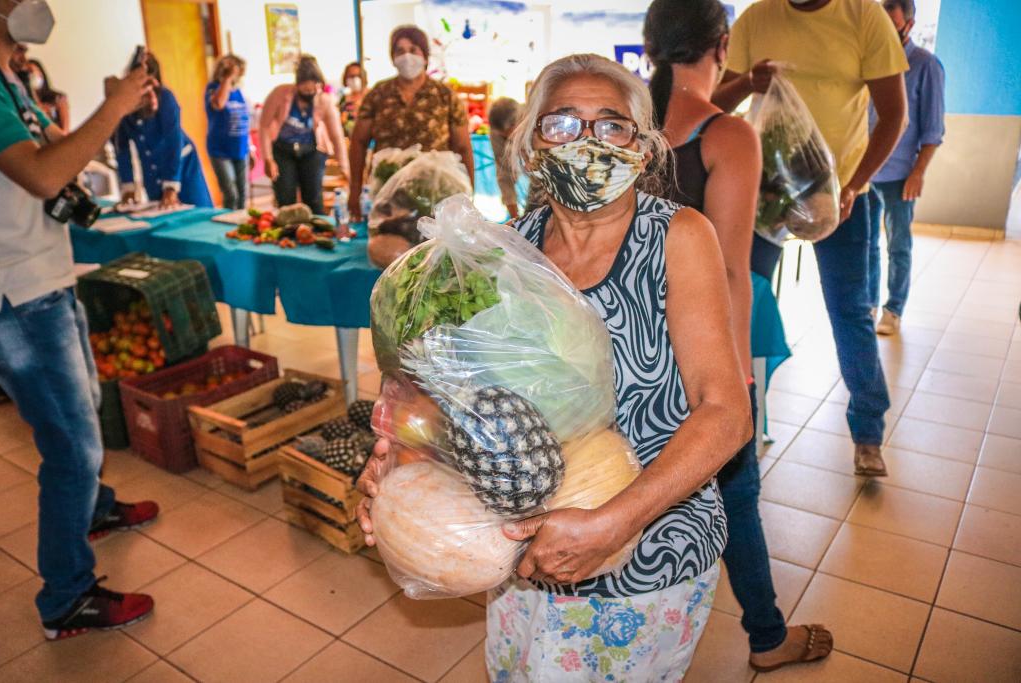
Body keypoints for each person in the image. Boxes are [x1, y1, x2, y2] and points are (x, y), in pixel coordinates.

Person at [358, 53, 752, 681]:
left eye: (612, 125)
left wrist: (613, 523)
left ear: (643, 148)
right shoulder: (502, 250)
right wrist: (400, 468)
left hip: (648, 545)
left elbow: (726, 414)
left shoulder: (678, 236)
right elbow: (454, 399)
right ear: (530, 145)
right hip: (525, 551)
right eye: (562, 123)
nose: (587, 142)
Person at [646, 0, 834, 672]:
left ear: (650, 44)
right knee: (737, 487)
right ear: (722, 45)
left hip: (626, 344)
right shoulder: (727, 138)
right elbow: (730, 269)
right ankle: (767, 635)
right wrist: (738, 377)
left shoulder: (623, 124)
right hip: (694, 345)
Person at [0, 0, 161, 640]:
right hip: (18, 294)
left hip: (46, 273)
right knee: (72, 444)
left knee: (83, 407)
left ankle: (92, 508)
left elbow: (50, 154)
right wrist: (113, 107)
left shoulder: (12, 77)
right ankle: (65, 598)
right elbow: (42, 176)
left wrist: (113, 110)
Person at [714, 0, 908, 477]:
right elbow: (716, 103)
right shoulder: (757, 18)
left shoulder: (863, 17)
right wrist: (747, 82)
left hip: (839, 196)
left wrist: (855, 185)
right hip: (767, 192)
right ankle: (738, 425)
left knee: (849, 310)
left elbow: (894, 115)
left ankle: (867, 432)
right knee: (741, 300)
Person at [348, 24, 474, 229]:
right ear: (392, 57)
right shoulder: (378, 94)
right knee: (387, 242)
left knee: (432, 245)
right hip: (387, 191)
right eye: (400, 51)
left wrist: (468, 195)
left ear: (425, 55)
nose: (407, 56)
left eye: (413, 50)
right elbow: (359, 142)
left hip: (434, 190)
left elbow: (463, 147)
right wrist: (355, 189)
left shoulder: (445, 96)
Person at [869, 0, 945, 336]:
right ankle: (869, 304)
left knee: (898, 245)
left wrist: (918, 172)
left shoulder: (925, 66)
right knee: (866, 243)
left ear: (909, 25)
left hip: (900, 175)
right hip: (863, 173)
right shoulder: (869, 59)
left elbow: (933, 130)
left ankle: (893, 308)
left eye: (892, 24)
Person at [113, 52, 212, 208]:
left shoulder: (165, 98)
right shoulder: (124, 104)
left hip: (181, 164)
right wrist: (128, 186)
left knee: (197, 209)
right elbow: (121, 148)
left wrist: (171, 186)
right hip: (151, 169)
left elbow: (173, 141)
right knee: (160, 210)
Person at [259, 54, 348, 215]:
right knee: (285, 198)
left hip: (312, 151)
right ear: (297, 85)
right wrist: (268, 159)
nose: (309, 93)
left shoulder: (325, 101)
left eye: (313, 89)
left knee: (313, 198)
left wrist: (344, 166)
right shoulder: (280, 94)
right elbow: (264, 126)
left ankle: (316, 228)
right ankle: (288, 229)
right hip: (283, 150)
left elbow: (336, 137)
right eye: (305, 90)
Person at [205, 54, 250, 210]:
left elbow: (244, 119)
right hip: (220, 151)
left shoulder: (238, 92)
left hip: (241, 149)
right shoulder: (213, 89)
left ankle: (242, 222)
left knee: (242, 193)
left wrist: (250, 148)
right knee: (231, 194)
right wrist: (227, 79)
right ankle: (229, 221)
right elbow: (219, 103)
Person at [487, 96, 522, 219]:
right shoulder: (496, 132)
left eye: (509, 132)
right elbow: (504, 172)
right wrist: (515, 219)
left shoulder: (535, 122)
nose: (507, 137)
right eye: (503, 135)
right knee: (504, 176)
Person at [338, 61, 366, 137]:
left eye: (358, 76)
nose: (355, 79)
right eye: (351, 76)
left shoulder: (371, 96)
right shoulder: (343, 99)